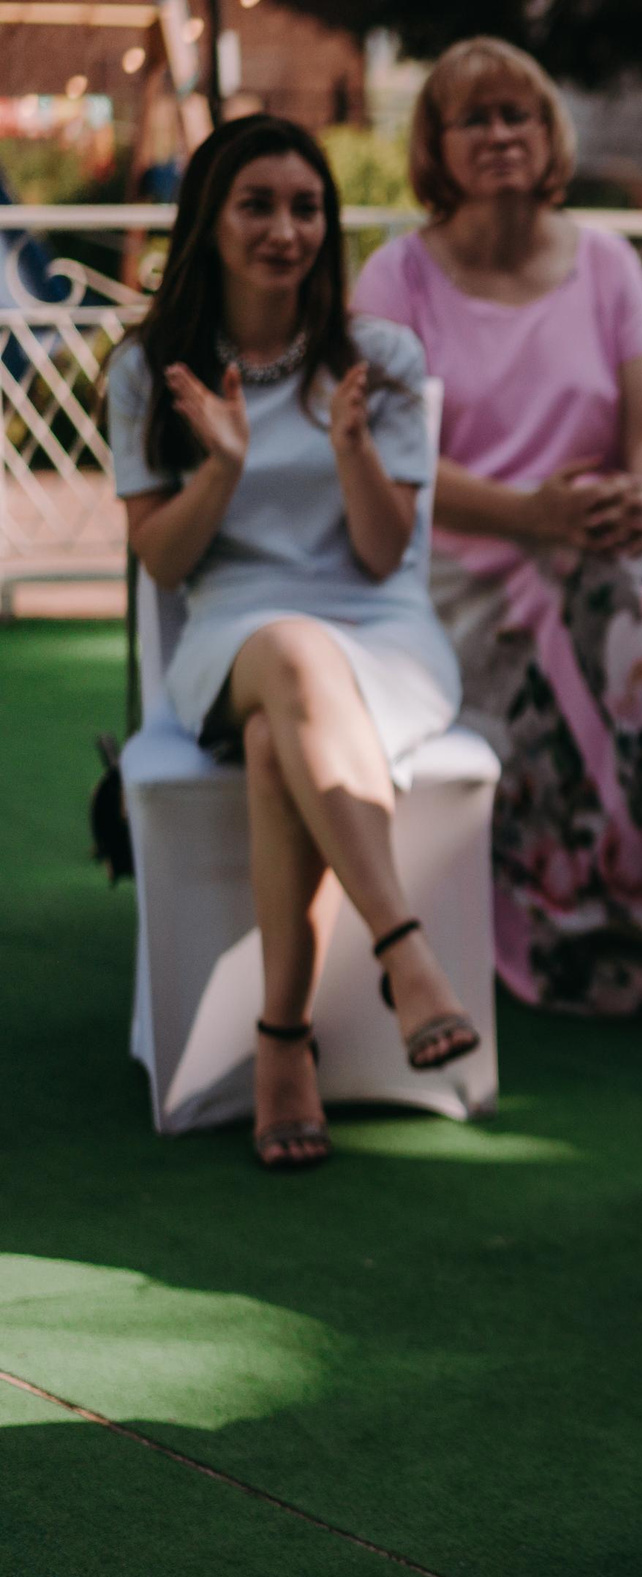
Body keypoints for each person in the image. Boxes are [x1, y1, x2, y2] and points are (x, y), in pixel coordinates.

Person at [108, 115, 479, 1169]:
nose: (287, 229)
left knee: (283, 736)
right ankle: (405, 954)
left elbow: (380, 556)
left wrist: (355, 449)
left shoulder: (380, 359)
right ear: (209, 223)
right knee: (290, 656)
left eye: (306, 206)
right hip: (229, 630)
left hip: (381, 630)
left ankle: (283, 1045)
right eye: (257, 205)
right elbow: (166, 567)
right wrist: (218, 469)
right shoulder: (151, 371)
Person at [353, 37, 642, 1015]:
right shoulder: (395, 278)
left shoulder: (608, 263)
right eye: (475, 118)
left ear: (549, 138)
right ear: (435, 145)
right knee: (562, 639)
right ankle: (564, 935)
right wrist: (529, 513)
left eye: (520, 116)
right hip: (460, 564)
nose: (502, 134)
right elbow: (390, 461)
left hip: (597, 550)